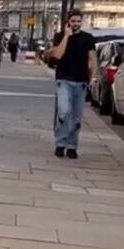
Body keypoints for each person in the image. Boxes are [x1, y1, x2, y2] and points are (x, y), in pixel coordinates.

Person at [46, 10, 96, 159]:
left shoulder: (88, 38)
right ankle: (60, 144)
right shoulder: (60, 36)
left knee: (77, 117)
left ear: (82, 22)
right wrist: (67, 36)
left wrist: (93, 77)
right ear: (68, 22)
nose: (75, 24)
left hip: (81, 81)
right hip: (64, 79)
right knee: (64, 111)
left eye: (78, 21)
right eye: (73, 21)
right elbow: (58, 55)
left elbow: (92, 59)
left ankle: (72, 146)